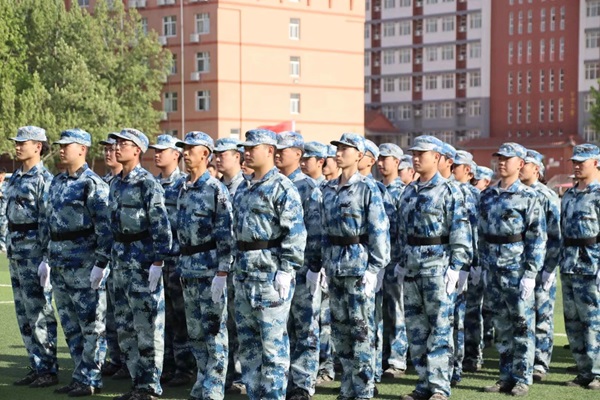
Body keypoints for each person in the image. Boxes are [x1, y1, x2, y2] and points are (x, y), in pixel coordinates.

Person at [232, 129, 307, 400]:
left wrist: (287, 270)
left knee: (273, 348)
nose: (247, 152)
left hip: (269, 276)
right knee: (249, 347)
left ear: (270, 151)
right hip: (243, 275)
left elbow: (295, 233)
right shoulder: (244, 186)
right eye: (246, 147)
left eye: (254, 147)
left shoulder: (282, 187)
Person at [396, 136, 471, 400]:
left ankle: (439, 387)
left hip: (438, 268)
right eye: (414, 154)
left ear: (437, 157)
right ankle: (424, 383)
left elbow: (461, 231)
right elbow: (401, 232)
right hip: (413, 268)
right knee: (416, 331)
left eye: (422, 154)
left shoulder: (450, 191)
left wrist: (457, 267)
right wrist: (400, 262)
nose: (416, 158)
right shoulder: (408, 191)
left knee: (439, 329)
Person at [321, 133, 390, 400]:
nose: (339, 153)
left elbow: (379, 230)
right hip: (334, 267)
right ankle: (347, 385)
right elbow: (324, 230)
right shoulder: (327, 189)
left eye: (345, 150)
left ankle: (363, 389)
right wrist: (321, 265)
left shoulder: (368, 188)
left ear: (359, 155)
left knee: (361, 332)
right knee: (340, 331)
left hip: (358, 267)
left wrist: (375, 268)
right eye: (337, 149)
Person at [45, 129, 112, 396]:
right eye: (60, 146)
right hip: (60, 263)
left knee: (91, 325)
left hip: (84, 264)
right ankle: (78, 375)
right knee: (70, 324)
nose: (62, 149)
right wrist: (47, 258)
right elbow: (50, 222)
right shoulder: (58, 181)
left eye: (67, 146)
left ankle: (91, 378)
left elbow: (105, 228)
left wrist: (101, 263)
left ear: (83, 149)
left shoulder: (92, 183)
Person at [108, 128, 172, 400]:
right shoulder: (115, 183)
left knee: (147, 327)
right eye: (118, 143)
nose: (118, 147)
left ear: (137, 150)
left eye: (125, 144)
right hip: (120, 262)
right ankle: (137, 382)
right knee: (125, 327)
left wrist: (158, 261)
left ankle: (149, 386)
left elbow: (161, 226)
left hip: (143, 263)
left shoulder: (147, 183)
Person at [479, 143, 546, 397]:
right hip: (493, 269)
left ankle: (522, 377)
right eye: (499, 158)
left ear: (520, 163)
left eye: (508, 159)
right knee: (501, 326)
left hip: (516, 269)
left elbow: (537, 237)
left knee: (521, 324)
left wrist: (531, 273)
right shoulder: (487, 195)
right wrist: (482, 264)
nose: (502, 163)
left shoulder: (529, 197)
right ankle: (505, 376)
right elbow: (481, 234)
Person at [176, 131, 234, 400]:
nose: (186, 153)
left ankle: (213, 389)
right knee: (196, 333)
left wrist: (223, 270)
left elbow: (226, 233)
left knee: (214, 333)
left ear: (205, 155)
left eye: (191, 149)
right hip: (188, 269)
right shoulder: (183, 188)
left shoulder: (215, 189)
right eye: (184, 148)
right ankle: (202, 381)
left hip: (210, 270)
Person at [6, 126, 59, 388]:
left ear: (38, 146)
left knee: (40, 311)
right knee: (23, 313)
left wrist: (46, 257)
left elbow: (48, 220)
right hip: (16, 251)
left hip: (35, 253)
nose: (17, 146)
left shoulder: (44, 179)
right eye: (16, 142)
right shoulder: (15, 177)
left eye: (22, 143)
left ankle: (48, 368)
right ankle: (35, 364)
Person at [275, 131, 323, 400]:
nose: (279, 152)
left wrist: (315, 266)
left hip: (302, 269)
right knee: (280, 328)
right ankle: (283, 380)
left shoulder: (307, 187)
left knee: (304, 327)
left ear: (298, 153)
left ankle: (303, 383)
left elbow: (315, 230)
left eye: (285, 149)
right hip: (276, 267)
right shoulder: (271, 183)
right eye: (277, 149)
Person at [148, 134, 195, 387]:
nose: (157, 154)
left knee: (180, 317)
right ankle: (165, 365)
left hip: (177, 261)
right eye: (155, 150)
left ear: (175, 155)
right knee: (160, 317)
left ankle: (185, 368)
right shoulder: (152, 184)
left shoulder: (183, 184)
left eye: (162, 150)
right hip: (157, 262)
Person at [559, 144, 600, 390]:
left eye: (581, 162)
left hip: (592, 264)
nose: (576, 165)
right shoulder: (570, 195)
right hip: (569, 264)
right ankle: (583, 370)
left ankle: (597, 372)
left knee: (593, 320)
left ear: (596, 163)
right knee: (573, 321)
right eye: (574, 161)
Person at [520, 149, 561, 382]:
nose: (521, 167)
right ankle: (523, 361)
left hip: (542, 265)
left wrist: (549, 267)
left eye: (525, 164)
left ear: (536, 168)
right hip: (520, 265)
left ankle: (540, 363)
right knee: (523, 317)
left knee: (542, 315)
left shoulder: (546, 195)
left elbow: (555, 235)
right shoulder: (517, 193)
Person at [213, 137, 246, 395]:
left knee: (241, 322)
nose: (218, 157)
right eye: (216, 153)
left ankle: (243, 374)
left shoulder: (245, 187)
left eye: (223, 153)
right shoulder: (215, 188)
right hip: (219, 265)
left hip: (241, 266)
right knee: (223, 323)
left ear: (237, 157)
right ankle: (226, 373)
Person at [98, 135, 129, 381]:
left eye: (113, 149)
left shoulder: (130, 183)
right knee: (111, 313)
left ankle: (129, 363)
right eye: (107, 149)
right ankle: (116, 358)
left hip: (128, 257)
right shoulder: (106, 182)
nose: (109, 153)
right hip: (109, 256)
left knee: (126, 313)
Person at [376, 143, 409, 379]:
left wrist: (403, 262)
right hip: (378, 263)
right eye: (379, 158)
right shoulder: (375, 189)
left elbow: (405, 232)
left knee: (397, 311)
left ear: (397, 162)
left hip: (396, 261)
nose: (380, 163)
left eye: (385, 159)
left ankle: (397, 360)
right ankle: (380, 356)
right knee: (378, 313)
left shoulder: (403, 192)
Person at [448, 150, 480, 386]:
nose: (453, 169)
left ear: (468, 170)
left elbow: (475, 232)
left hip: (463, 263)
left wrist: (473, 264)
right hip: (444, 261)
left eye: (457, 166)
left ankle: (457, 366)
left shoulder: (472, 194)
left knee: (460, 317)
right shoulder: (449, 190)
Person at [0, 168, 8, 252]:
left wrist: (2, 195)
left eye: (2, 174)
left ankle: (3, 246)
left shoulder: (7, 185)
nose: (1, 176)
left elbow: (9, 196)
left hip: (4, 212)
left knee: (3, 229)